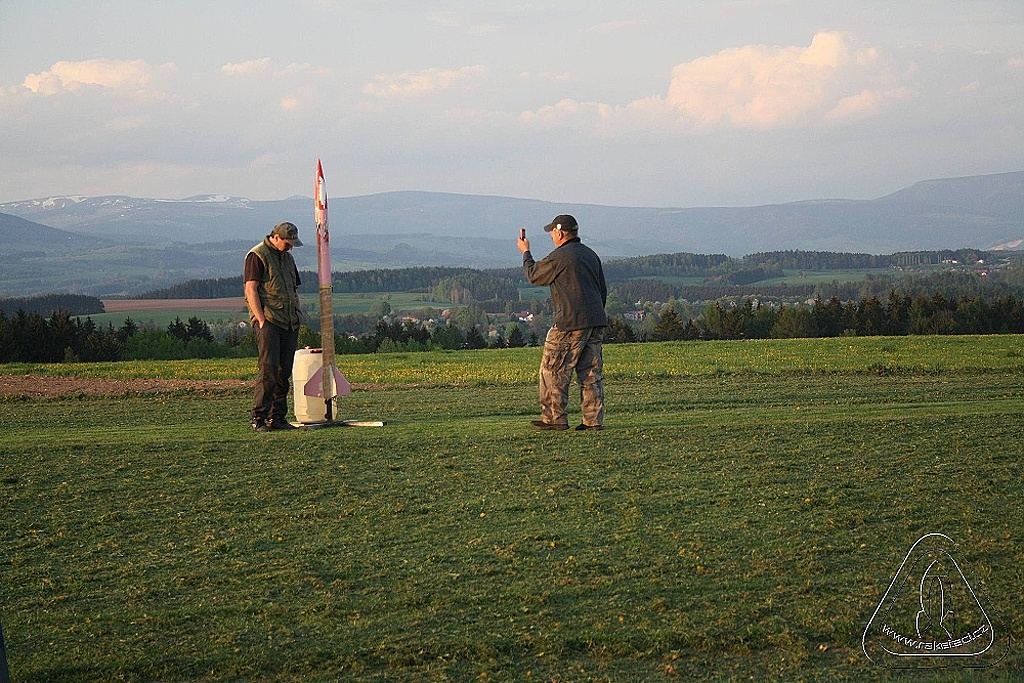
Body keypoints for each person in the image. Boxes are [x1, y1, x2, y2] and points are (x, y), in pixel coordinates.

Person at [517, 214, 608, 431]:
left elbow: (534, 275)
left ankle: (554, 418)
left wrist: (525, 252)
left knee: (553, 370)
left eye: (552, 233)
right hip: (595, 321)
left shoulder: (560, 257)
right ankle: (592, 421)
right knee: (590, 373)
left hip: (569, 322)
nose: (551, 237)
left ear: (560, 233)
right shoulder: (590, 255)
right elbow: (602, 290)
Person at [244, 221, 304, 432]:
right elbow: (251, 289)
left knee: (283, 371)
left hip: (289, 321)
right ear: (276, 237)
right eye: (287, 243)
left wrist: (296, 314)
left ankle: (277, 417)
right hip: (269, 321)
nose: (290, 247)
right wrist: (260, 320)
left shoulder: (287, 258)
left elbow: (293, 288)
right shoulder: (257, 255)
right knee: (268, 371)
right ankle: (259, 418)